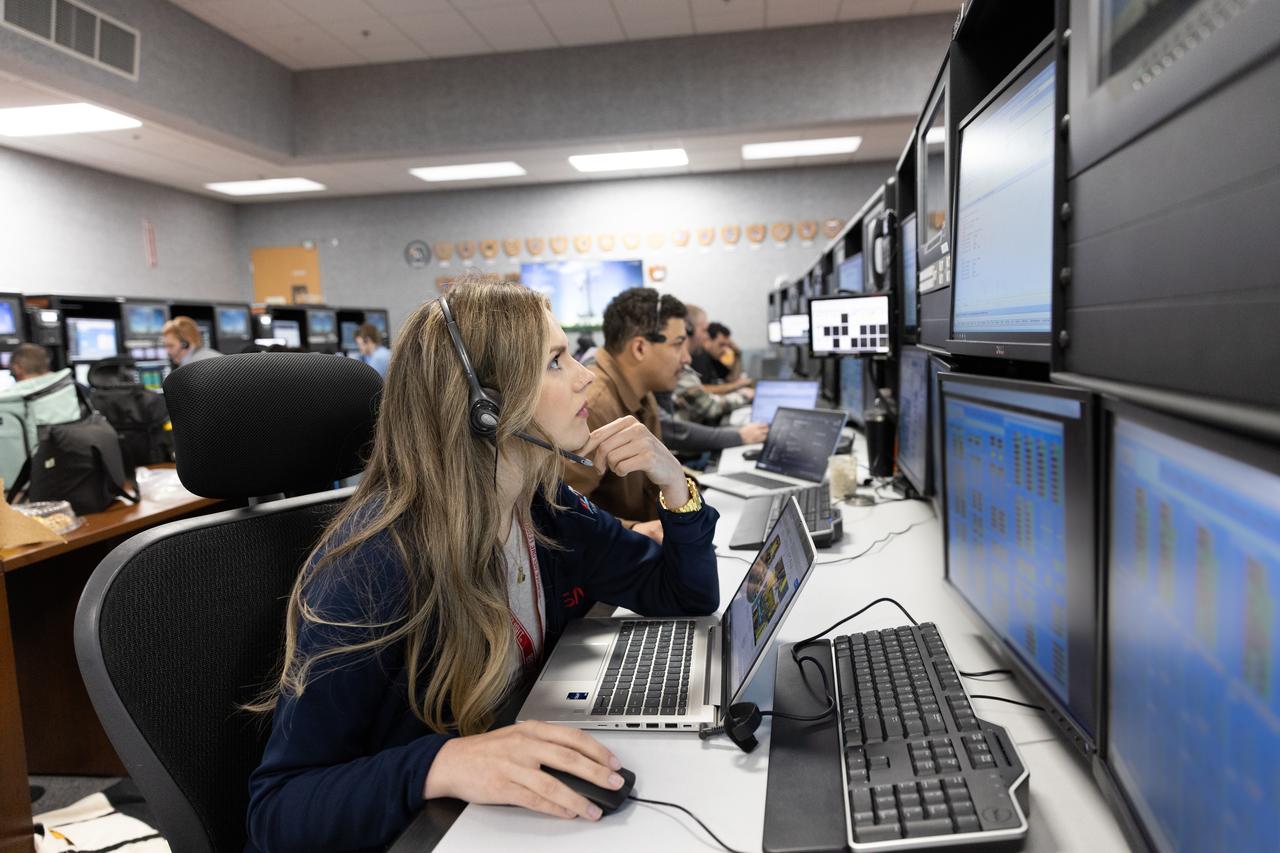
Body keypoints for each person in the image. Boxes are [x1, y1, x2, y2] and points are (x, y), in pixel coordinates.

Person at [245, 281, 719, 853]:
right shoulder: (374, 566)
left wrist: (674, 485)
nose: (586, 375)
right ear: (484, 407)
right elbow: (278, 812)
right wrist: (440, 764)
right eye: (554, 362)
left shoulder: (546, 506)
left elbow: (685, 594)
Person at [561, 289, 692, 542]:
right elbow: (556, 510)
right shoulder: (593, 407)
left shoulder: (644, 394)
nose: (687, 358)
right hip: (614, 561)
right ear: (640, 348)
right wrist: (634, 530)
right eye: (678, 344)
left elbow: (653, 486)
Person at [0, 344, 81, 489]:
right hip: (77, 471)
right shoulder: (70, 386)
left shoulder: (9, 400)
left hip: (27, 485)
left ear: (17, 368)